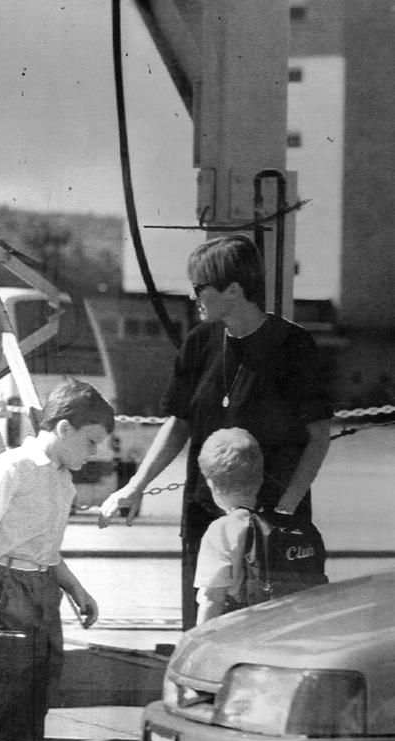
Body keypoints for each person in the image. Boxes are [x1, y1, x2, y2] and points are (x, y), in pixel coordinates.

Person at [99, 234, 332, 631]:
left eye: (199, 288)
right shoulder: (200, 342)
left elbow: (318, 435)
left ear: (235, 289)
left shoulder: (294, 346)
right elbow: (178, 422)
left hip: (270, 526)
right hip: (205, 516)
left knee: (264, 634)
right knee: (203, 623)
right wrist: (134, 487)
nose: (194, 298)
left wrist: (286, 509)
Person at [0, 378, 114, 741]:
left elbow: (47, 549)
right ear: (64, 429)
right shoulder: (11, 468)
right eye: (90, 441)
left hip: (42, 590)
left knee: (34, 706)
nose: (95, 453)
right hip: (3, 588)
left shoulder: (63, 483)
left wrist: (76, 588)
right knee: (5, 705)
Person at [193, 427, 265, 625]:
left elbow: (211, 599)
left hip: (241, 629)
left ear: (212, 486)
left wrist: (199, 641)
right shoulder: (281, 522)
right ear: (259, 480)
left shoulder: (221, 531)